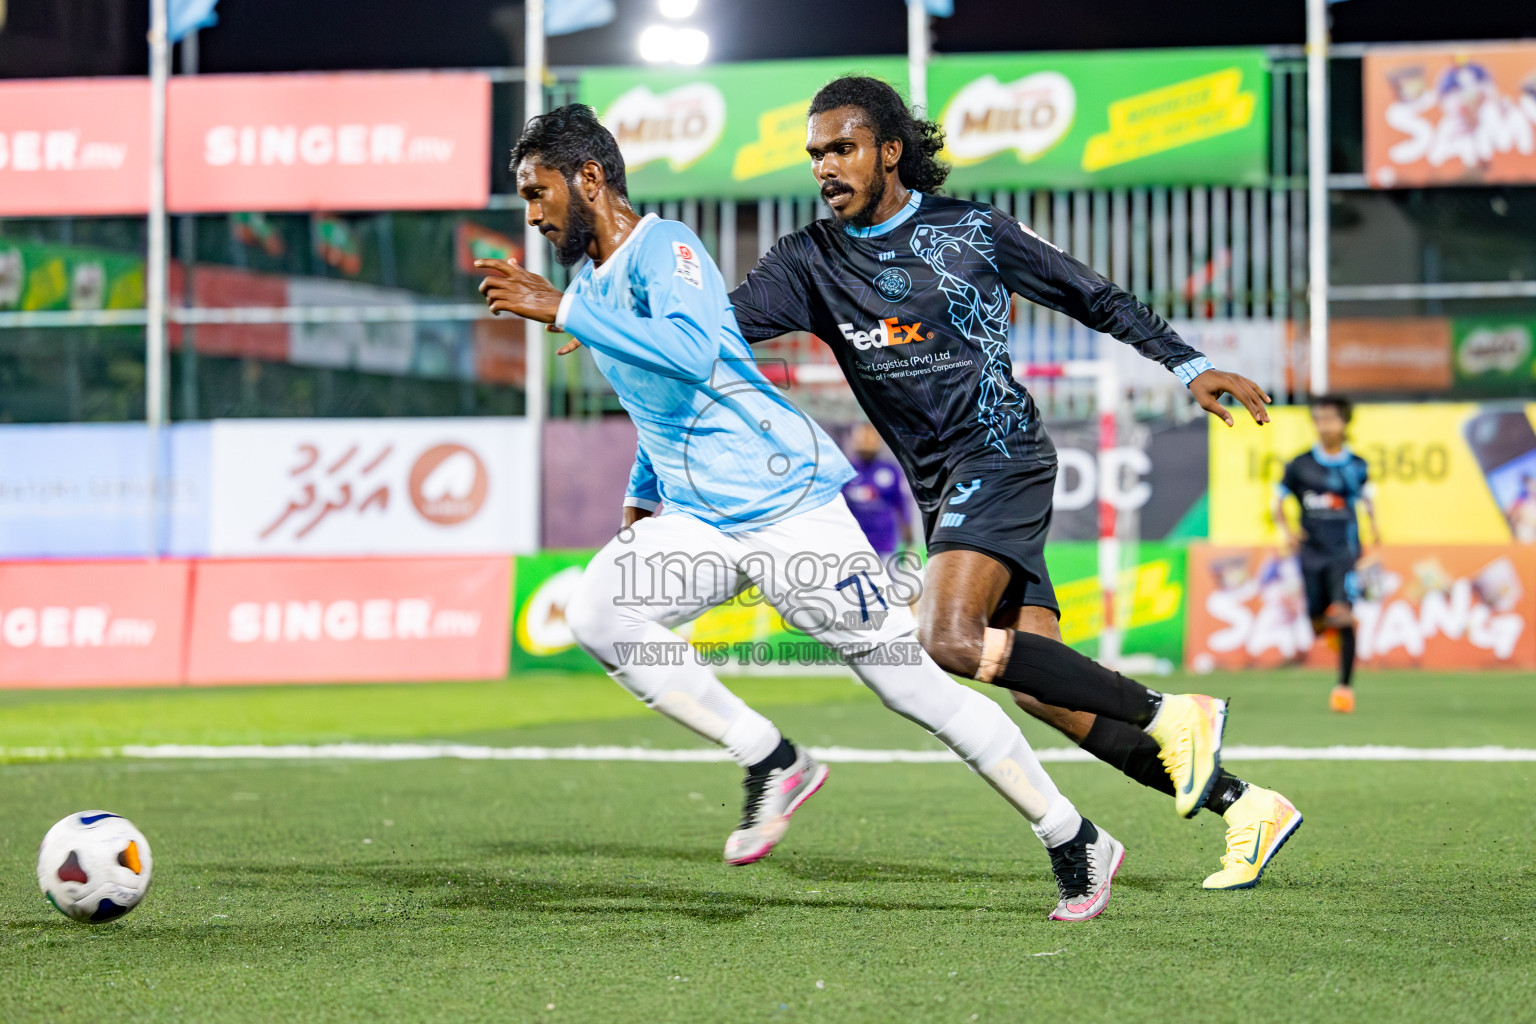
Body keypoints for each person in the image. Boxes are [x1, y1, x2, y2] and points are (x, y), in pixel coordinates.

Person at [476, 104, 1125, 921]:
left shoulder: (666, 248)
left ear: (591, 178)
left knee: (913, 687)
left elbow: (692, 351)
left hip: (787, 508)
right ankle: (772, 757)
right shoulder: (592, 284)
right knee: (598, 610)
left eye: (539, 194)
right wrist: (642, 492)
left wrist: (564, 312)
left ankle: (1074, 837)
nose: (533, 215)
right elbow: (664, 405)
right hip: (701, 517)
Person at [727, 76, 1301, 890]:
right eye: (816, 153)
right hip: (940, 486)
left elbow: (1091, 295)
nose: (825, 166)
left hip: (1001, 457)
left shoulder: (970, 231)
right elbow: (712, 329)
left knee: (946, 636)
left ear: (890, 151)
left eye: (843, 148)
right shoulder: (808, 260)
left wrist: (1191, 365)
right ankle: (1248, 808)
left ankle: (1175, 713)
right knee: (1049, 691)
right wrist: (589, 310)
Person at [1274, 394, 1380, 713]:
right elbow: (1277, 501)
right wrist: (1288, 531)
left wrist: (1376, 537)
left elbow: (1369, 503)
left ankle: (1344, 688)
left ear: (1345, 423)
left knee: (1343, 615)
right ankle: (1327, 624)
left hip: (1344, 552)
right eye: (1319, 419)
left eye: (1331, 419)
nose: (1324, 425)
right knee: (1317, 619)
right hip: (1312, 552)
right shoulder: (1300, 465)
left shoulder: (1357, 466)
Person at [843, 422, 913, 561]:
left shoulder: (890, 470)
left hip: (885, 541)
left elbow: (901, 503)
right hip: (854, 540)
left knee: (887, 580)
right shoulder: (847, 471)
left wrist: (908, 531)